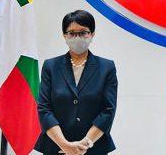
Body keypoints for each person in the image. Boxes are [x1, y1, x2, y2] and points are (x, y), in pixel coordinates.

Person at [35, 10, 117, 155]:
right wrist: (64, 144)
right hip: (56, 147)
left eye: (83, 32)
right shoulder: (51, 66)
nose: (77, 37)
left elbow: (107, 111)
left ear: (92, 34)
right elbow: (44, 109)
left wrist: (84, 144)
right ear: (64, 35)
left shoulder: (106, 67)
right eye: (72, 33)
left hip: (93, 148)